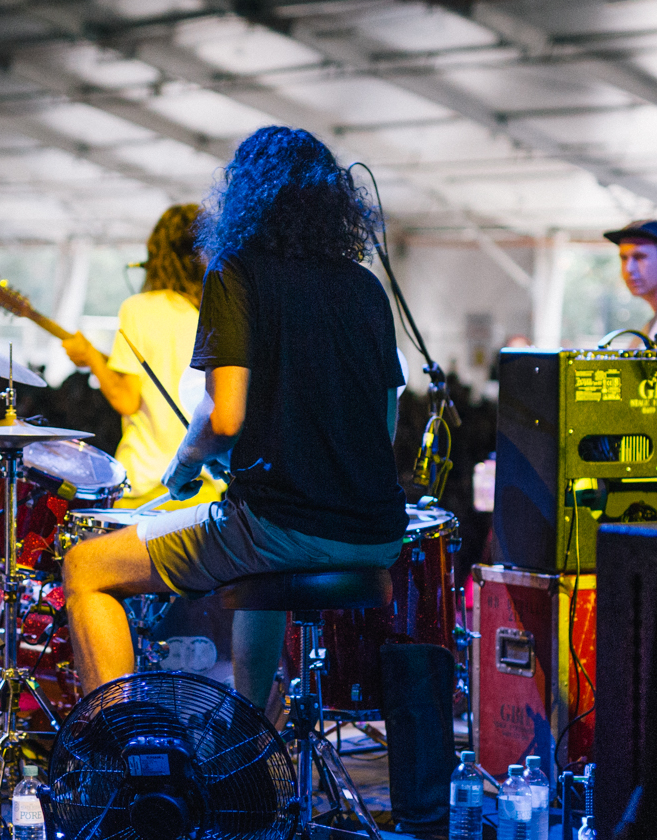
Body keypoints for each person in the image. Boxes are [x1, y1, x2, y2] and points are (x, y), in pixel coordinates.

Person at [61, 127, 409, 701]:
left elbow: (224, 419)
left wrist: (182, 468)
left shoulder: (237, 270)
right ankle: (245, 742)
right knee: (255, 551)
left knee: (87, 568)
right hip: (377, 536)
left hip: (287, 529)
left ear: (245, 194)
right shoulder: (365, 287)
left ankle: (115, 750)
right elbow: (385, 426)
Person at [59, 204, 215, 507]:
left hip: (149, 486)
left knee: (83, 556)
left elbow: (127, 399)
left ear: (158, 255)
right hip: (204, 486)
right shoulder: (215, 311)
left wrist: (91, 357)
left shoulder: (140, 308)